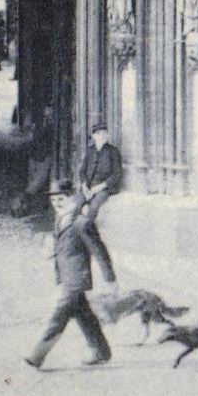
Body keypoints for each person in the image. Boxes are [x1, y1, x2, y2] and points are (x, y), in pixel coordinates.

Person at [24, 179, 111, 369]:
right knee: (84, 315)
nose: (56, 203)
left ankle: (37, 356)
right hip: (67, 276)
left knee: (59, 316)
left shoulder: (81, 222)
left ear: (71, 198)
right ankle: (101, 351)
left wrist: (109, 279)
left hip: (77, 278)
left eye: (61, 199)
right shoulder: (61, 219)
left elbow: (100, 251)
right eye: (53, 200)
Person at [77, 120, 122, 298]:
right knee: (74, 205)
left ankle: (86, 234)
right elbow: (82, 171)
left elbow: (116, 174)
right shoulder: (89, 151)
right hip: (88, 188)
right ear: (93, 136)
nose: (102, 136)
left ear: (107, 135)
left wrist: (100, 187)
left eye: (104, 133)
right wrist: (84, 186)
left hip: (103, 189)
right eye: (98, 133)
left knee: (91, 211)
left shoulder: (113, 152)